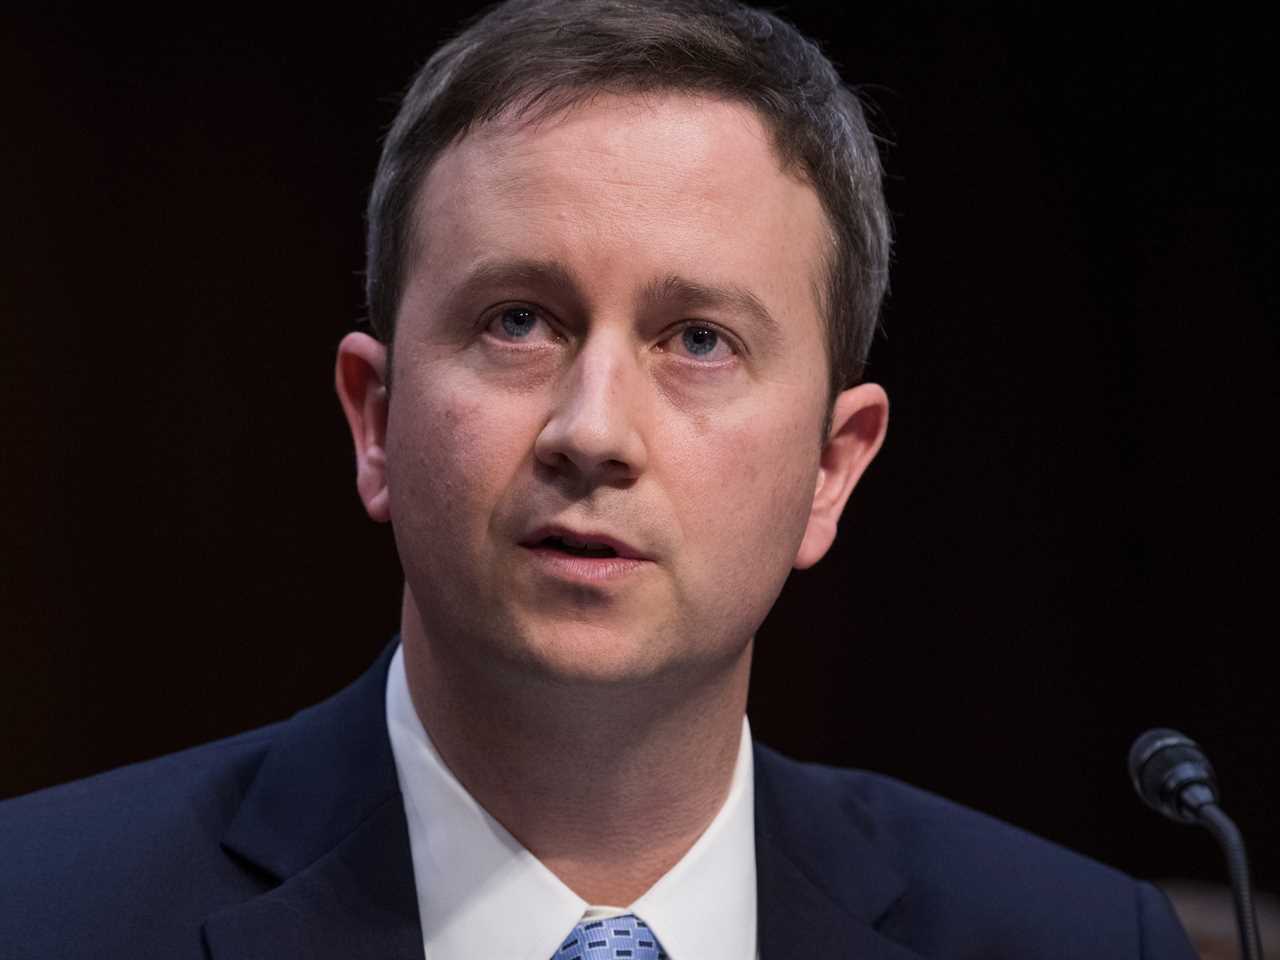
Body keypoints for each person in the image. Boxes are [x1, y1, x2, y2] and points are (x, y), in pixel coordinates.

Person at [1, 1, 1197, 957]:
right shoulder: (42, 914)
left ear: (831, 470)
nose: (592, 430)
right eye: (519, 321)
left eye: (697, 340)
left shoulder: (1077, 938)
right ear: (376, 421)